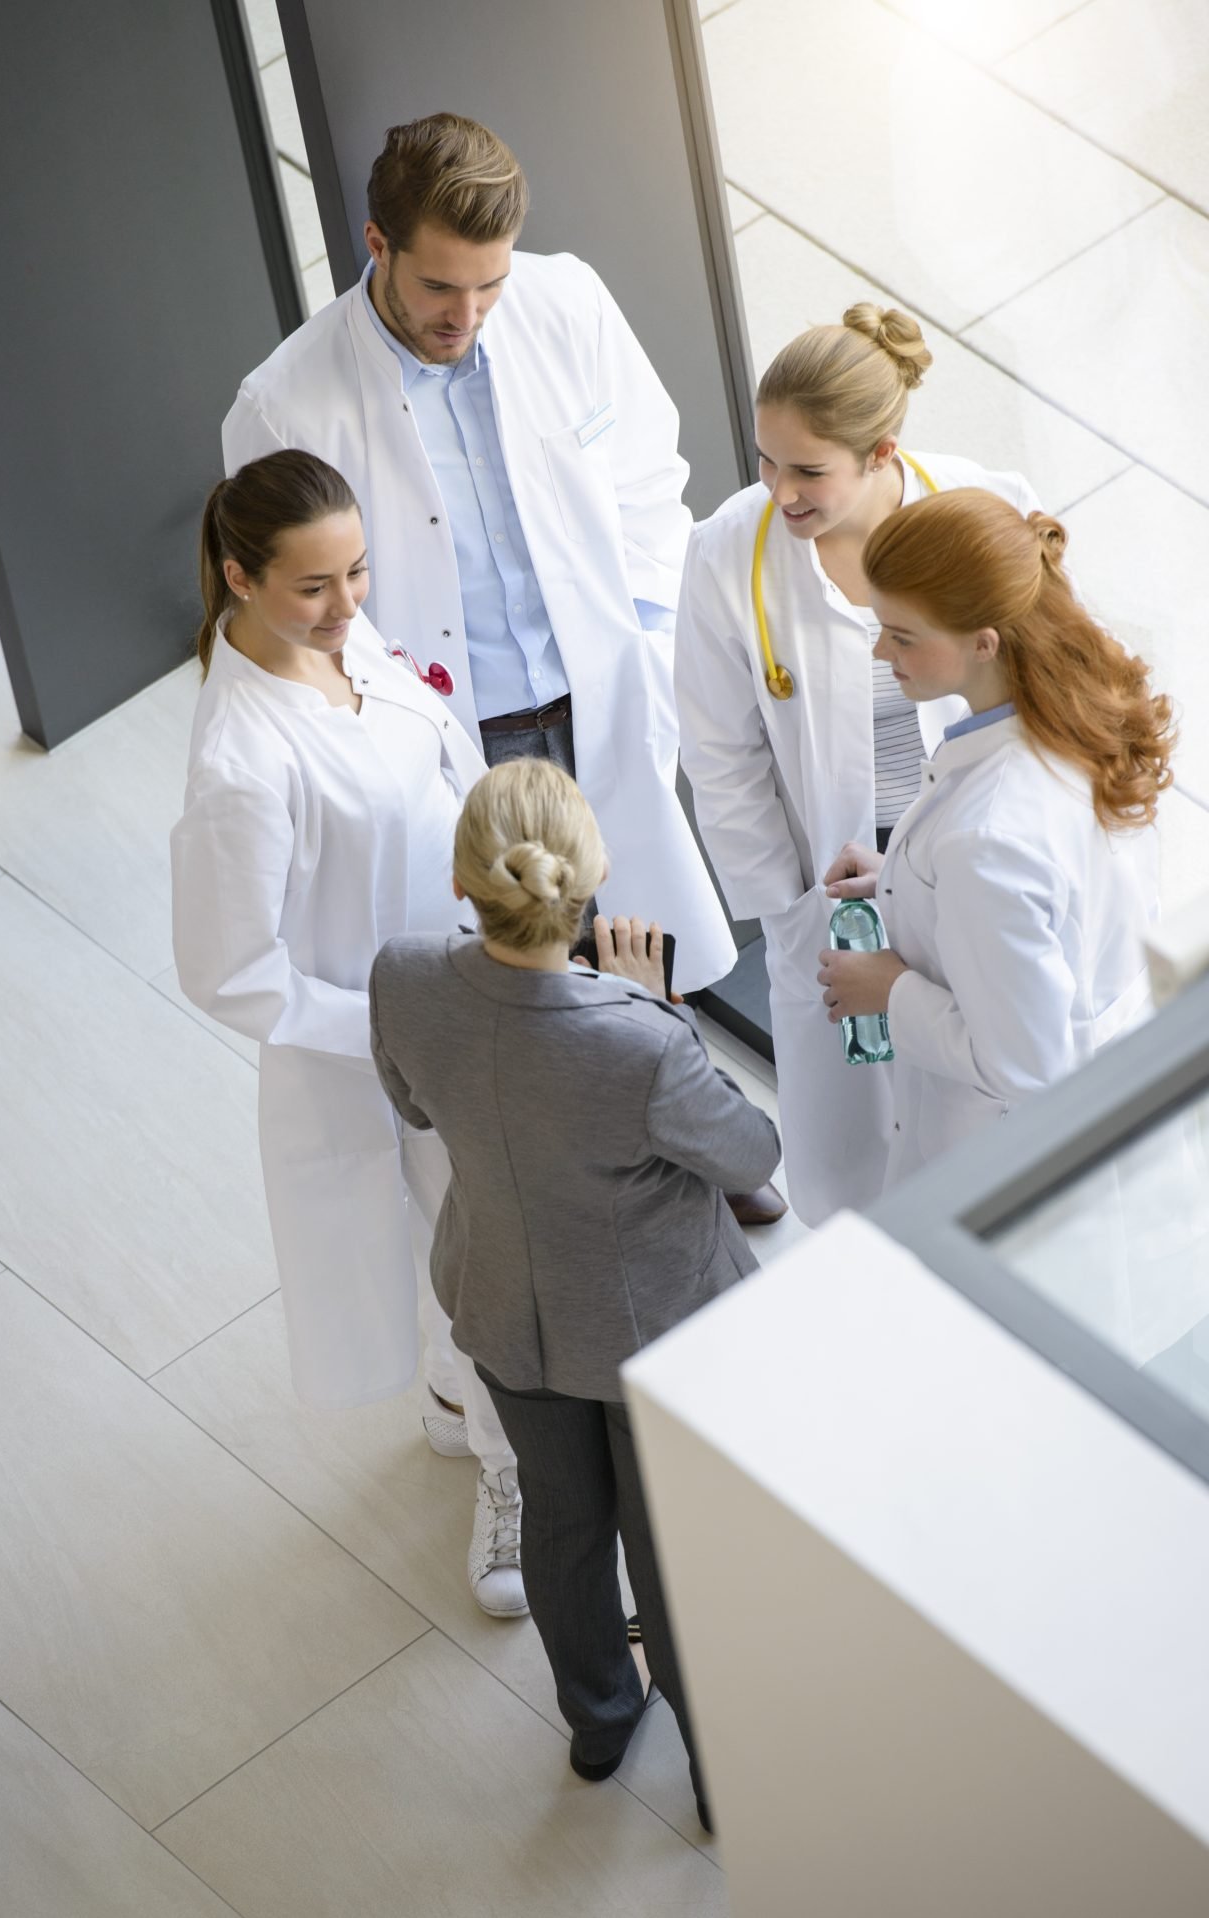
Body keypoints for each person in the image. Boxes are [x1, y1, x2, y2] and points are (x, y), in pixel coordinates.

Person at [222, 111, 778, 1227]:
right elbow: (302, 609)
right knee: (523, 974)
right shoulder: (285, 402)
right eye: (439, 288)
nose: (465, 318)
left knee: (638, 933)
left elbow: (644, 477)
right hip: (449, 737)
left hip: (594, 697)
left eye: (487, 287)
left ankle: (694, 1135)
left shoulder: (563, 299)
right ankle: (574, 1190)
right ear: (375, 244)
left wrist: (652, 639)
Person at [368, 759, 780, 1831]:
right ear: (586, 882)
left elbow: (412, 1108)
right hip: (651, 1336)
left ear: (466, 886)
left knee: (560, 1519)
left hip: (502, 1306)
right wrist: (655, 1013)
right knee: (669, 1547)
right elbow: (749, 1152)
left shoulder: (402, 976)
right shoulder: (635, 1039)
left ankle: (599, 1723)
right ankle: (721, 1776)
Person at [170, 450, 526, 1619]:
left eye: (358, 571)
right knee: (471, 1247)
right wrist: (399, 1028)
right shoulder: (242, 759)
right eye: (314, 586)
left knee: (464, 1229)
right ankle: (507, 1475)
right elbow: (230, 972)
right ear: (239, 577)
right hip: (381, 1044)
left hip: (468, 985)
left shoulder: (343, 646)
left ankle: (445, 1395)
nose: (347, 604)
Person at [674, 303, 1043, 1227]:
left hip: (958, 849)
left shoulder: (978, 508)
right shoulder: (733, 551)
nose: (778, 490)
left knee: (970, 1095)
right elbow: (720, 753)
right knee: (849, 1143)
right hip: (829, 884)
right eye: (765, 459)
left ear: (881, 452)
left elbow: (1044, 682)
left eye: (807, 470)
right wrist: (792, 914)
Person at [817, 487, 1172, 1185]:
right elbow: (1051, 900)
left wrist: (888, 989)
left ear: (984, 643)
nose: (881, 648)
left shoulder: (988, 839)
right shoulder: (1081, 709)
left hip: (1008, 1158)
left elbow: (1026, 1065)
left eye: (903, 635)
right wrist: (904, 880)